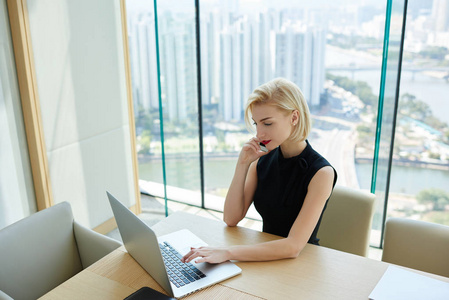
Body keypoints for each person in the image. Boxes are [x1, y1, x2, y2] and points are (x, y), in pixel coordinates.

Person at [182, 78, 337, 264]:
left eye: (268, 123)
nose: (259, 134)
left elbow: (293, 247)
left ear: (294, 117)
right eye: (257, 124)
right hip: (263, 255)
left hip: (301, 263)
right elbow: (231, 218)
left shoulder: (321, 173)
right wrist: (242, 164)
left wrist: (228, 253)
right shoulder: (263, 159)